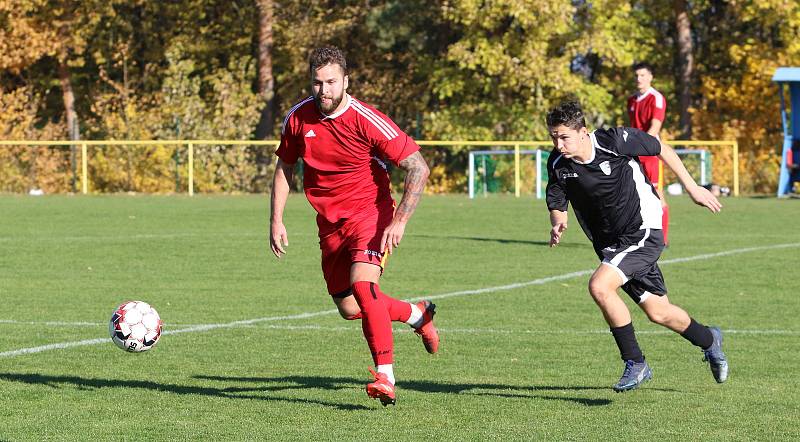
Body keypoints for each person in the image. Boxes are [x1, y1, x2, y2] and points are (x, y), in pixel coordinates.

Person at [270, 46, 438, 406]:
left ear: (346, 80)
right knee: (350, 308)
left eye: (331, 82)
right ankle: (416, 313)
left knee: (364, 286)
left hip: (371, 214)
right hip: (329, 224)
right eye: (317, 83)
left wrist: (400, 220)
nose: (324, 90)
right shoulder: (298, 118)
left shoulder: (366, 119)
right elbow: (285, 166)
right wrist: (276, 219)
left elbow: (418, 166)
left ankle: (385, 376)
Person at [545, 100, 729, 392]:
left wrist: (693, 188)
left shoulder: (614, 141)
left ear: (583, 132)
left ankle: (635, 362)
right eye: (553, 136)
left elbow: (661, 148)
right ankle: (709, 339)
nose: (558, 142)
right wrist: (558, 220)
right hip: (610, 243)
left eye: (564, 136)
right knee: (659, 312)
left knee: (600, 286)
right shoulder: (558, 163)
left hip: (643, 230)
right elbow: (557, 199)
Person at [627, 62, 670, 246]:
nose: (639, 79)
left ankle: (662, 238)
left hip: (650, 152)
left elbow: (654, 127)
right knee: (633, 194)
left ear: (651, 77)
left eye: (643, 75)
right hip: (634, 153)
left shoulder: (656, 98)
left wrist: (641, 145)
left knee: (657, 194)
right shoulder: (631, 100)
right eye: (637, 75)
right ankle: (635, 235)